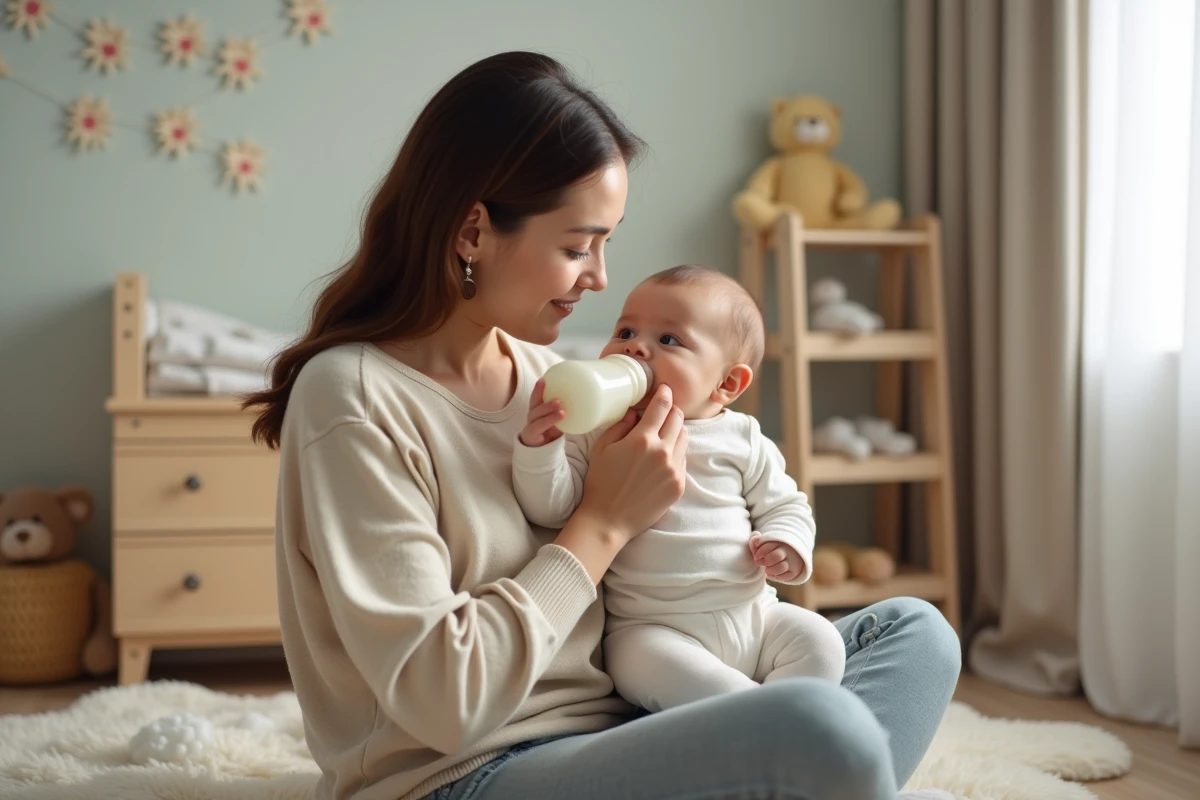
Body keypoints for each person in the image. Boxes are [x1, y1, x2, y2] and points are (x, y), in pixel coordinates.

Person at [245, 51, 961, 800]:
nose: (600, 278)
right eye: (576, 246)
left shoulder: (554, 378)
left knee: (914, 633)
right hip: (466, 772)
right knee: (823, 726)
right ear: (472, 231)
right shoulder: (354, 398)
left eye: (606, 243)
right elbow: (443, 704)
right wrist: (605, 523)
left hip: (624, 722)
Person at [513, 264, 847, 713]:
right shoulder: (599, 431)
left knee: (822, 642)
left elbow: (787, 505)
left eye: (668, 339)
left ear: (727, 383)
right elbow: (551, 509)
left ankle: (782, 719)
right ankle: (766, 720)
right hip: (653, 631)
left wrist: (787, 543)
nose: (635, 347)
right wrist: (542, 449)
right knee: (668, 673)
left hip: (754, 615)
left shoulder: (742, 438)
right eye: (625, 331)